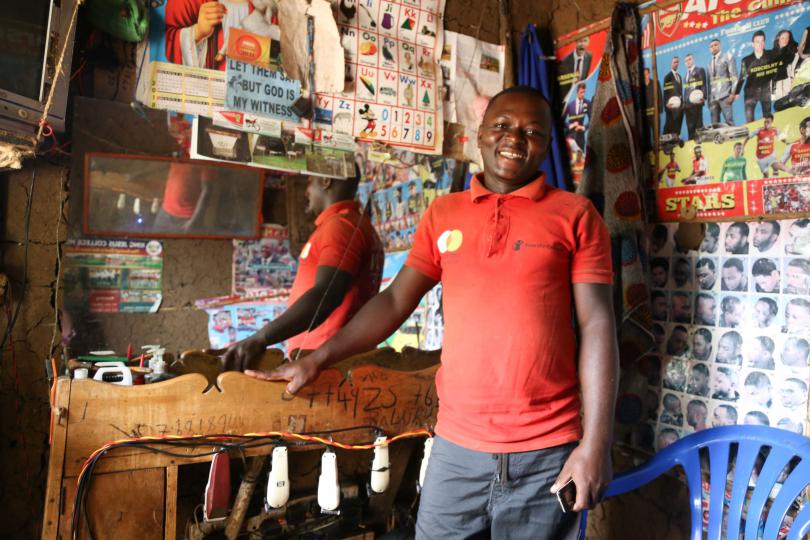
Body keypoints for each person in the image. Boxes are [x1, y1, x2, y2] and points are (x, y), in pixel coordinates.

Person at [250, 86, 619, 536]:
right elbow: (392, 301)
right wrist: (318, 357)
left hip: (546, 451)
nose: (514, 138)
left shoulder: (576, 215)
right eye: (502, 126)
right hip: (456, 450)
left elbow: (597, 324)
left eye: (532, 132)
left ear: (546, 145)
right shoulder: (443, 214)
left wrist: (596, 444)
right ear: (480, 134)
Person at [220, 169, 383, 369]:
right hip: (328, 359)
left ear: (325, 180)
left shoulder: (341, 227)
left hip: (328, 362)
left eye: (309, 181)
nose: (306, 192)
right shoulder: (352, 224)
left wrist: (261, 337)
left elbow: (326, 295)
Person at [730, 30, 776, 123]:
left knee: (768, 117)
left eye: (762, 41)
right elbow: (742, 76)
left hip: (766, 90)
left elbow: (775, 71)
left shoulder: (771, 55)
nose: (760, 44)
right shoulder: (746, 60)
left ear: (764, 42)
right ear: (753, 44)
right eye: (757, 41)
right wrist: (736, 92)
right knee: (749, 120)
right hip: (750, 92)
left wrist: (774, 88)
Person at [708, 39, 738, 125]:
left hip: (725, 95)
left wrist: (733, 93)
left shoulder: (727, 57)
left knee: (729, 122)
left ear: (720, 45)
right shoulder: (709, 63)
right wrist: (710, 99)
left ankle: (734, 138)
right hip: (713, 99)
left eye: (715, 45)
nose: (713, 47)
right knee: (714, 125)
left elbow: (734, 76)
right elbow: (710, 83)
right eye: (711, 46)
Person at [558, 36, 593, 103]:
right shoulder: (564, 62)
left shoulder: (589, 56)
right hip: (566, 99)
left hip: (580, 97)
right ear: (576, 42)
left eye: (585, 41)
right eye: (580, 41)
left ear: (589, 42)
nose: (582, 44)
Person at [683, 53, 708, 140]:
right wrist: (684, 103)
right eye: (686, 61)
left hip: (696, 103)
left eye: (689, 59)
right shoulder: (685, 76)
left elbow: (703, 84)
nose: (688, 62)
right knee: (690, 127)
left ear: (693, 60)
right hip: (687, 106)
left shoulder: (699, 70)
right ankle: (691, 145)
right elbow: (685, 91)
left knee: (698, 126)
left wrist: (703, 97)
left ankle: (700, 145)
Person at [772, 29, 800, 101]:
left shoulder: (793, 50)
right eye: (783, 38)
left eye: (787, 38)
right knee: (780, 104)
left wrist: (793, 77)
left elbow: (794, 66)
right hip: (777, 84)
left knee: (790, 101)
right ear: (778, 39)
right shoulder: (772, 54)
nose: (785, 40)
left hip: (789, 81)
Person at [564, 83, 590, 153]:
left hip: (581, 138)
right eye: (581, 92)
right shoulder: (569, 105)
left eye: (584, 92)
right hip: (570, 137)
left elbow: (592, 119)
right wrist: (570, 125)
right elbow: (561, 121)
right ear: (577, 92)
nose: (583, 94)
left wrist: (583, 127)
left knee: (580, 162)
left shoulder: (587, 103)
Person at [663, 56, 685, 136]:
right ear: (671, 64)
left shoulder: (679, 77)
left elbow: (680, 92)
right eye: (674, 62)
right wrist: (666, 105)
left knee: (677, 128)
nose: (676, 64)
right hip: (671, 108)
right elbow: (665, 92)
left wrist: (682, 104)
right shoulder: (667, 77)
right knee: (669, 128)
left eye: (677, 62)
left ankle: (676, 141)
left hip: (680, 108)